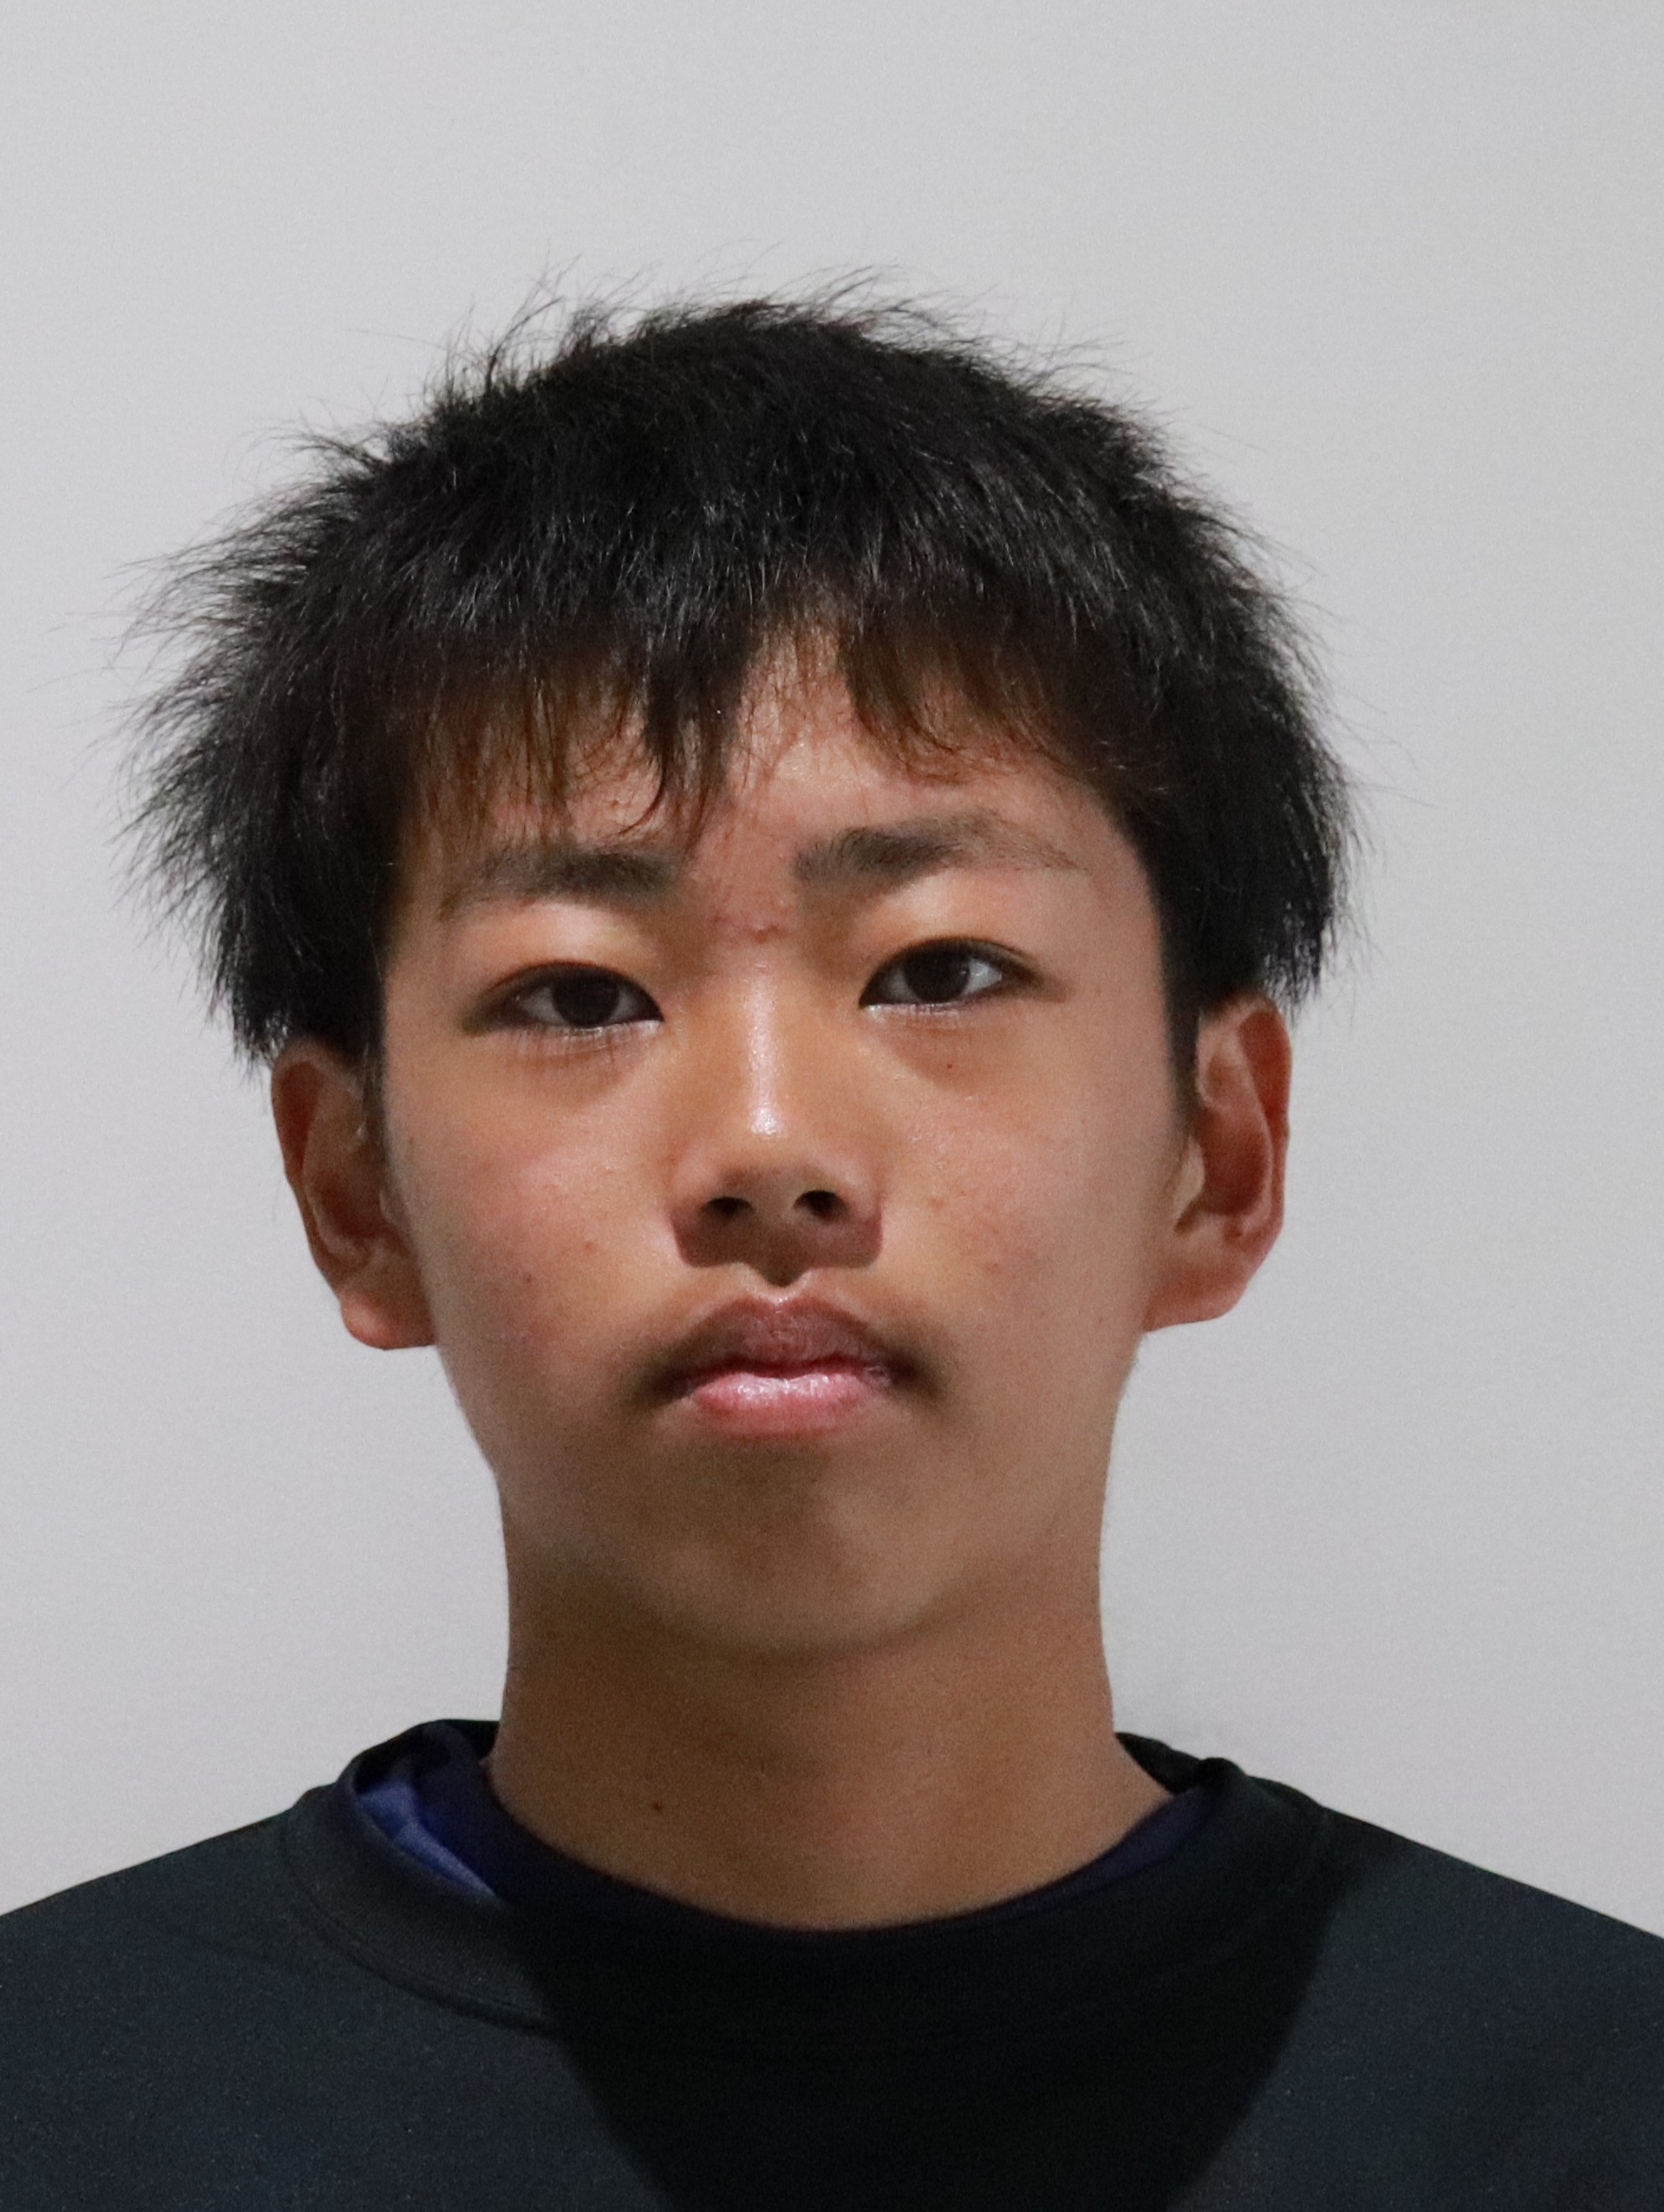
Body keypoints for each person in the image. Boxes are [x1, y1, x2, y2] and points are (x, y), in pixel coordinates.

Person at [3, 294, 1659, 2210]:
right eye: (577, 994)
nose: (771, 1146)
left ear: (1217, 1153)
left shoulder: (1591, 2118)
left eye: (940, 969)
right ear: (354, 1191)